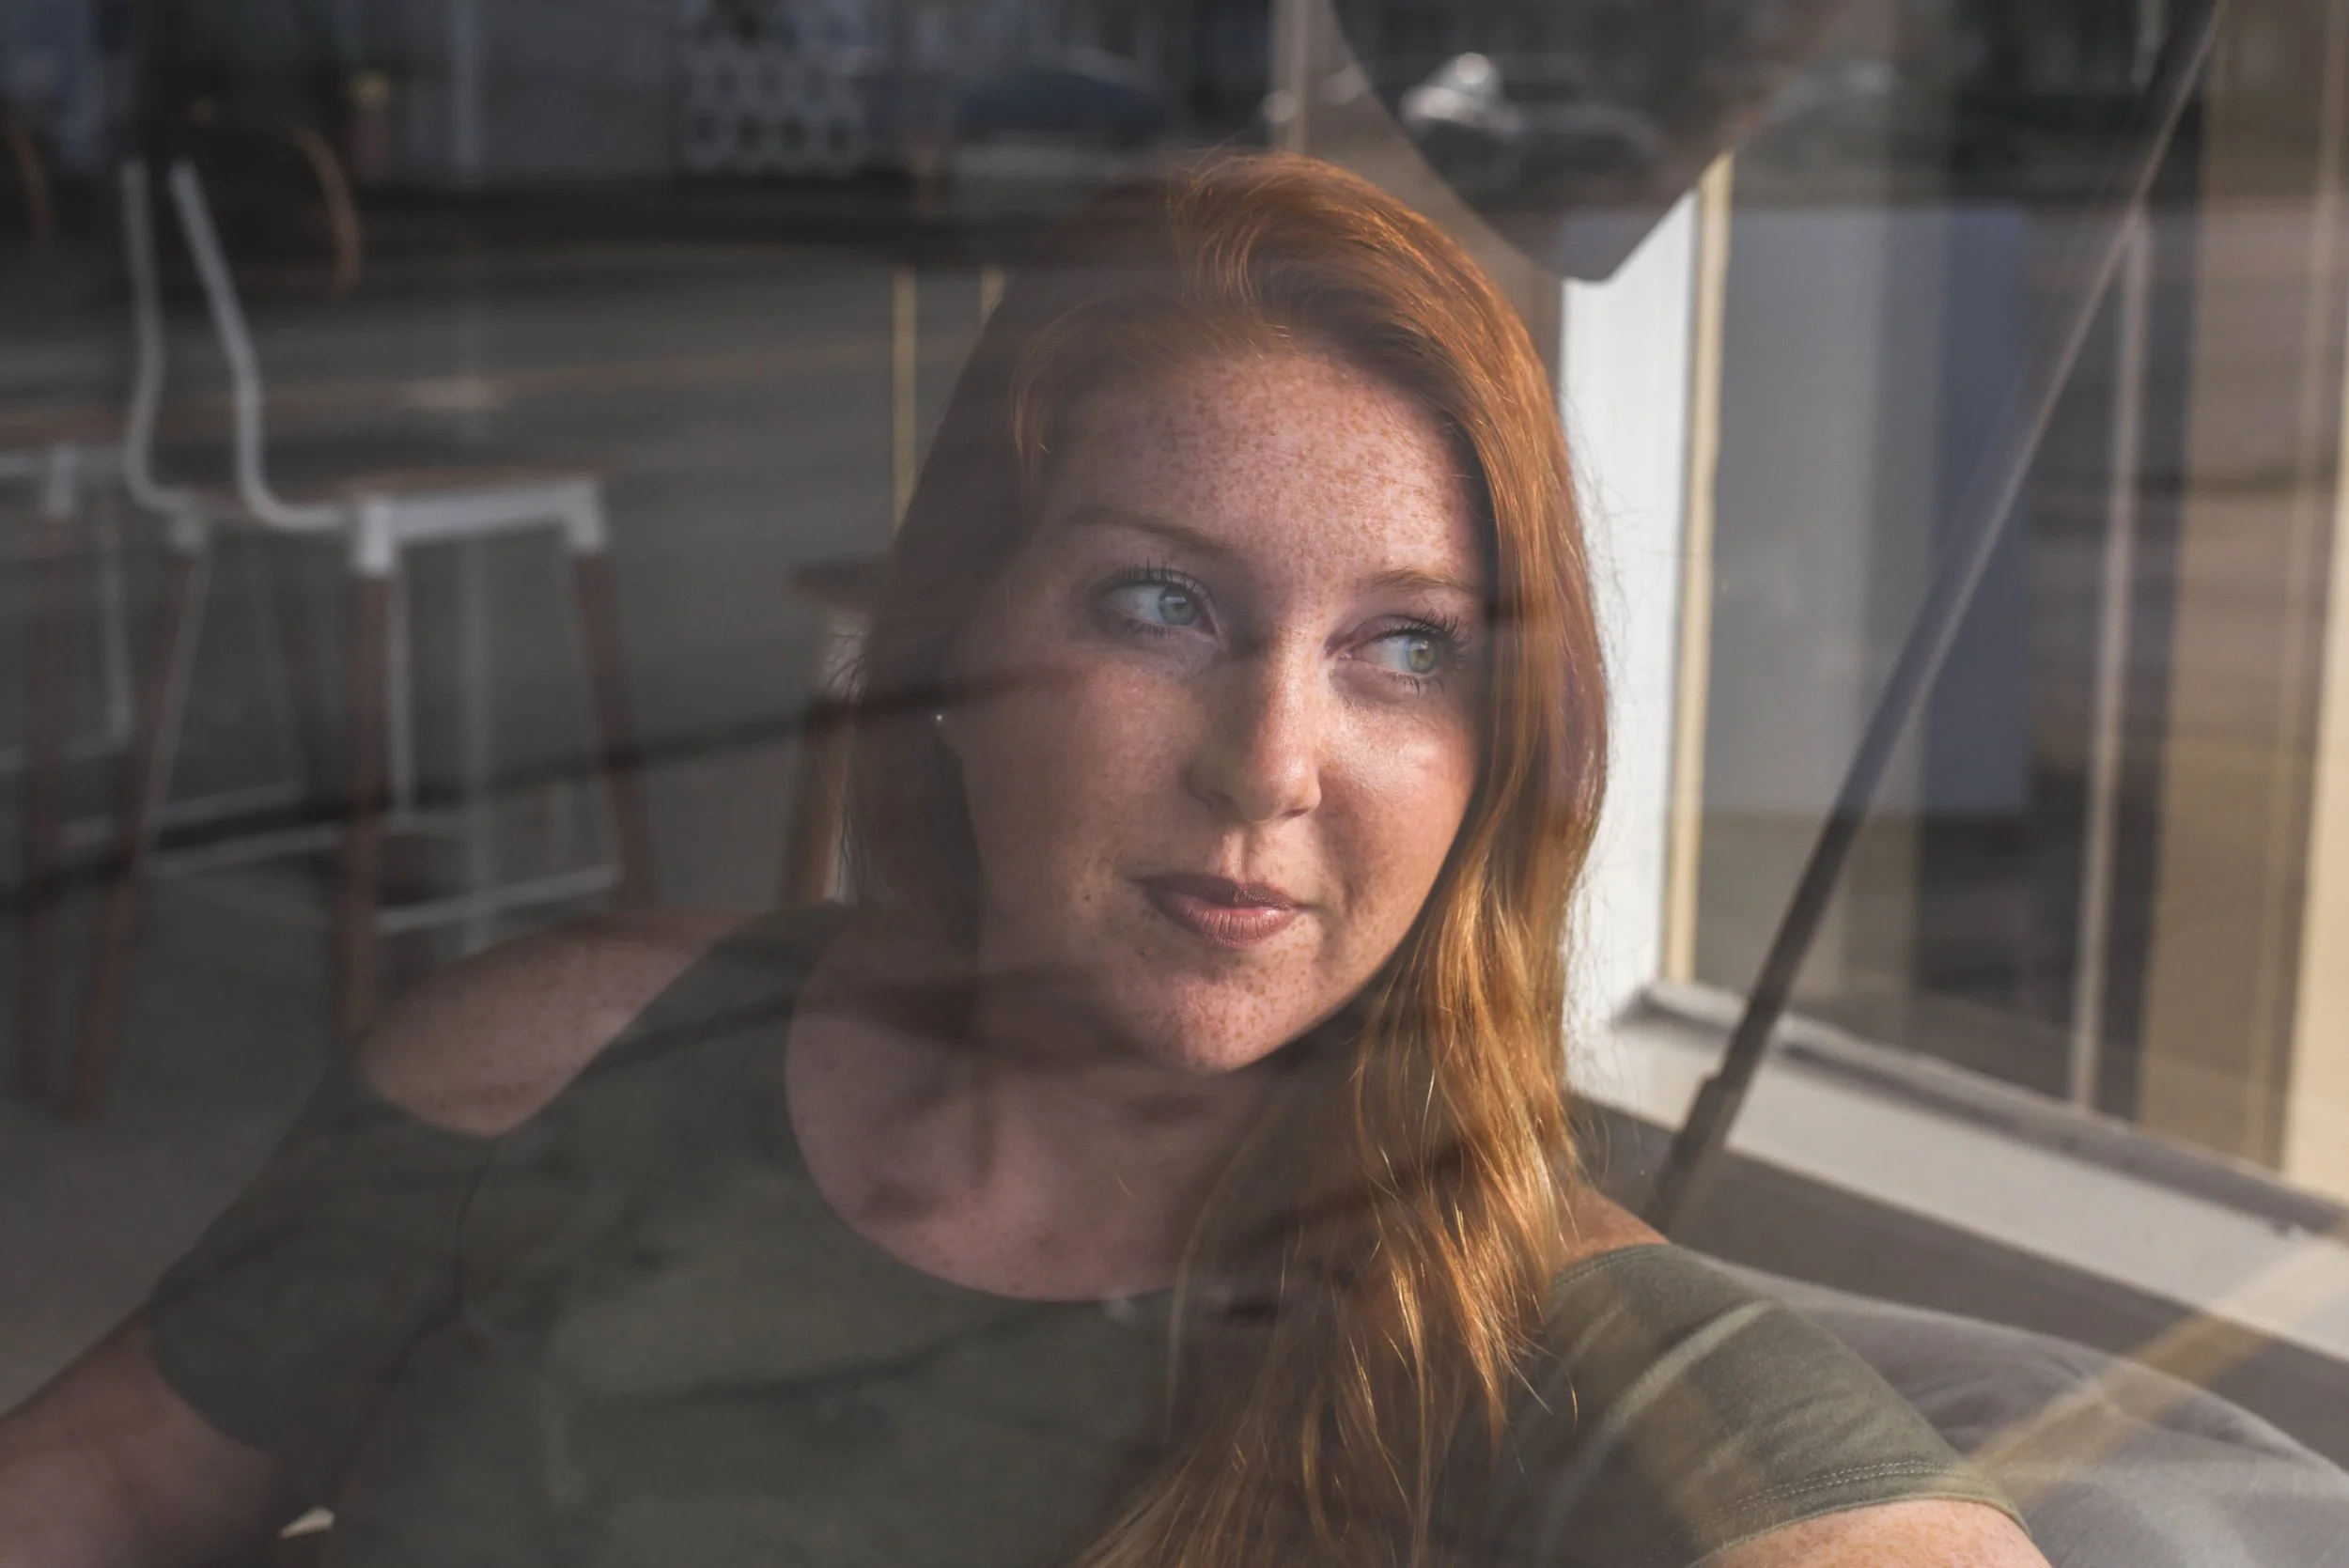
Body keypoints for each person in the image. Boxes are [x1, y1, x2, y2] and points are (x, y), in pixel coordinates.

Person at [0, 152, 2048, 1568]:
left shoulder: (1514, 1326)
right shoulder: (552, 1060)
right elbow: (84, 1496)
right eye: (1160, 608)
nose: (1270, 762)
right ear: (949, 647)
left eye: (1404, 650)